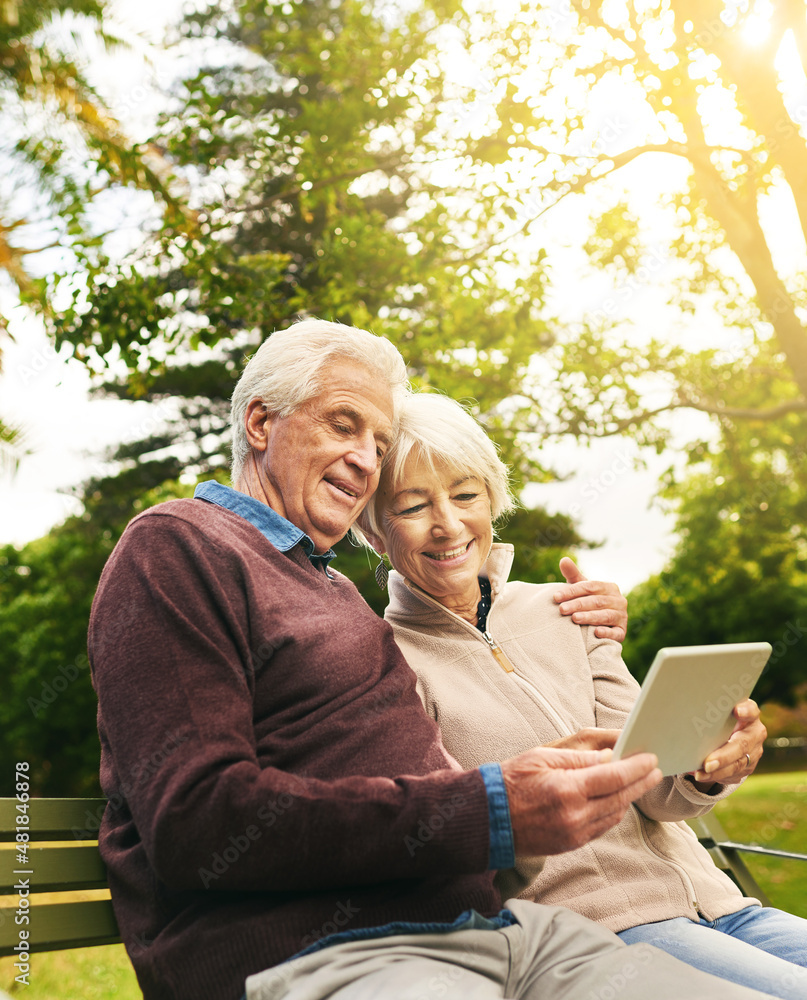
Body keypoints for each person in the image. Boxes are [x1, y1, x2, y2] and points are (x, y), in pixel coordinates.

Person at [88, 319, 775, 1000]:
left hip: (503, 936)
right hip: (346, 957)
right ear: (261, 423)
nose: (365, 458)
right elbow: (198, 822)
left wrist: (530, 794)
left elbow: (429, 802)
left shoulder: (333, 595)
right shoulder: (179, 546)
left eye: (378, 441)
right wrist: (495, 807)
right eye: (342, 424)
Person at [357, 388, 807, 1000]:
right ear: (375, 531)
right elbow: (455, 852)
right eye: (413, 507)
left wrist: (707, 768)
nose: (449, 524)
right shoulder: (387, 662)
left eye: (466, 495)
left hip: (720, 901)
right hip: (598, 935)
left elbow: (658, 791)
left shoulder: (568, 610)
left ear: (492, 501)